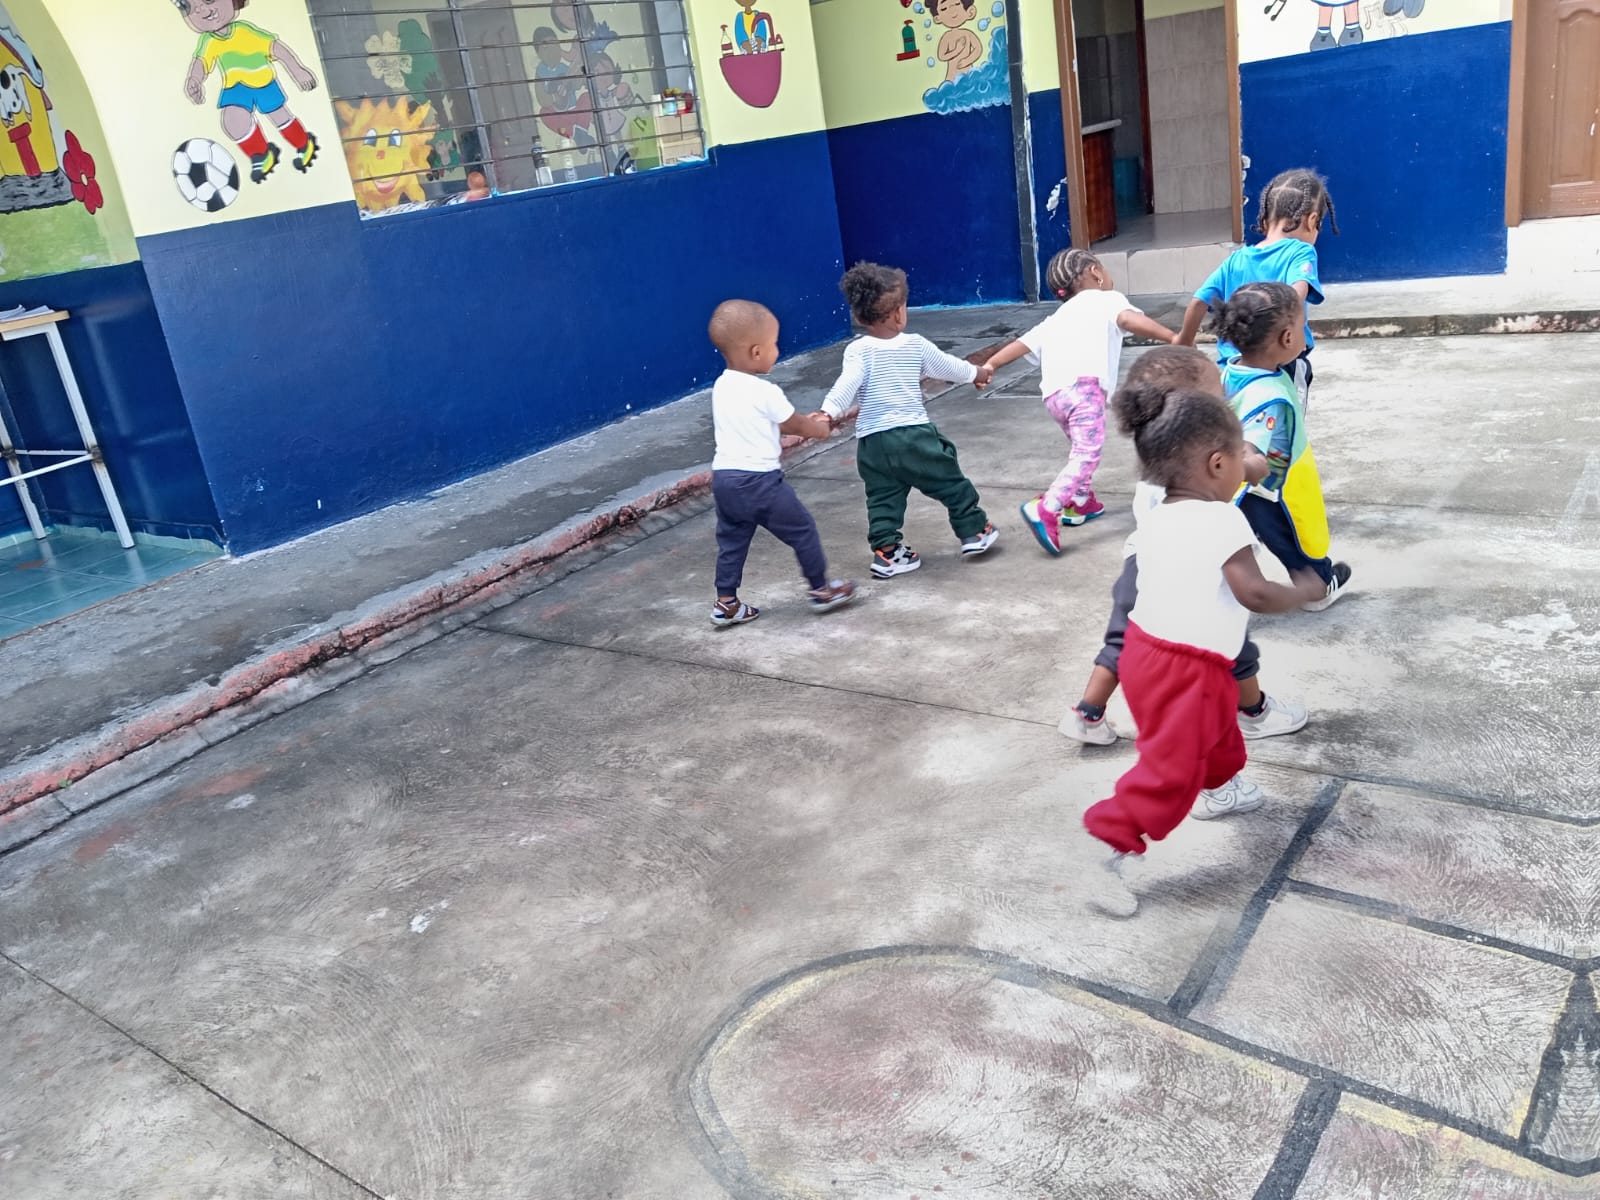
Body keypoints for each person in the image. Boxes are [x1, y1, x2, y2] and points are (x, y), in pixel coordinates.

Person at [1080, 383, 1326, 918]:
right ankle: (1103, 848)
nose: (1246, 463)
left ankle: (1221, 790)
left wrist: (1249, 467)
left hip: (1149, 653)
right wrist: (1302, 592)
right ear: (1217, 464)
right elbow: (1253, 592)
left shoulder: (1158, 514)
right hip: (1185, 667)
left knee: (1218, 740)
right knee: (1169, 775)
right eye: (1241, 455)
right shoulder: (1222, 519)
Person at [1062, 347, 1310, 766]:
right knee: (1230, 640)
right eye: (1218, 395)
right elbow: (1232, 476)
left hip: (1140, 562)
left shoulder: (1159, 457)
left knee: (1122, 638)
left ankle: (1088, 713)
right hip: (1194, 570)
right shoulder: (1199, 473)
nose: (1227, 399)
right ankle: (1254, 712)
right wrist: (1250, 464)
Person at [981, 249, 1176, 554]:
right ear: (1095, 272)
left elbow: (1021, 344)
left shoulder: (1056, 317)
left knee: (1079, 449)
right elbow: (1129, 319)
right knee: (1087, 453)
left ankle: (1081, 501)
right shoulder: (1106, 299)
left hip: (1054, 397)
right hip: (1085, 391)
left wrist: (991, 364)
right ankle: (1048, 506)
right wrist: (1172, 337)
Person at [821, 263, 998, 578]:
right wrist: (979, 373)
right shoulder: (915, 344)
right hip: (912, 436)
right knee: (949, 481)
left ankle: (888, 553)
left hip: (873, 444)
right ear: (898, 313)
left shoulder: (857, 350)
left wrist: (828, 413)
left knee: (883, 497)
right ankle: (974, 531)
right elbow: (951, 367)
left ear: (859, 316)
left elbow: (846, 385)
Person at [707, 300, 856, 627]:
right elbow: (793, 424)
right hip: (760, 483)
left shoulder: (721, 386)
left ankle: (726, 602)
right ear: (756, 352)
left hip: (725, 481)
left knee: (732, 541)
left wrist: (805, 422)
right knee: (803, 530)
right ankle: (821, 589)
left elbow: (765, 423)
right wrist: (819, 429)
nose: (777, 350)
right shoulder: (765, 391)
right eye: (774, 344)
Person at [1216, 282, 1352, 611]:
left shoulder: (1231, 370)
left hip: (1240, 492)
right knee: (1296, 541)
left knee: (1235, 541)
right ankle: (1319, 587)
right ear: (1288, 338)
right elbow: (1251, 446)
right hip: (1270, 492)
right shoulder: (1268, 397)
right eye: (1302, 325)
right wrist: (1249, 463)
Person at [1177, 168, 1337, 409]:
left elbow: (1198, 302)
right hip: (1280, 366)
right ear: (1312, 220)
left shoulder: (1236, 259)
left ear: (1265, 219)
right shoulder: (1301, 251)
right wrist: (1286, 332)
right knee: (1286, 429)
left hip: (1231, 369)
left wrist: (1185, 342)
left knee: (1236, 428)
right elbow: (1297, 292)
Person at [177, 0, 320, 184]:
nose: (204, 11)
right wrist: (194, 80)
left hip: (263, 82)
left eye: (209, 0)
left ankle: (303, 143)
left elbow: (276, 48)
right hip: (235, 88)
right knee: (232, 121)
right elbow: (201, 62)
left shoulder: (245, 31)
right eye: (191, 8)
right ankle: (261, 154)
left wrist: (298, 71)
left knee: (279, 116)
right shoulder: (208, 40)